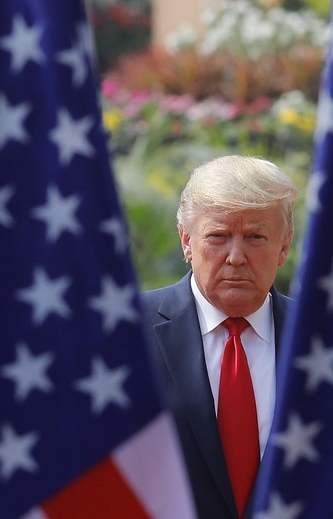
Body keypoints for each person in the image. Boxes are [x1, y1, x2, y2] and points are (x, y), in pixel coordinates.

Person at [140, 155, 296, 519]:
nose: (236, 257)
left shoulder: (321, 336)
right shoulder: (128, 332)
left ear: (284, 246)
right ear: (186, 241)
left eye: (255, 237)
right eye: (218, 236)